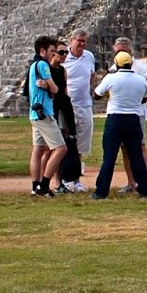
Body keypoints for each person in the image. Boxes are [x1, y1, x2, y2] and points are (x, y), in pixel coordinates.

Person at [91, 51, 147, 198]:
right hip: (133, 119)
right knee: (136, 155)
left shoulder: (111, 78)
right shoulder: (141, 80)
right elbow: (144, 98)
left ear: (116, 64)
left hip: (115, 119)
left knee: (109, 157)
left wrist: (110, 94)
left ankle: (101, 192)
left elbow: (96, 94)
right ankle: (144, 189)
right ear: (131, 64)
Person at [112, 35, 147, 193]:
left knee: (140, 147)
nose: (120, 55)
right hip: (120, 113)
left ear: (129, 51)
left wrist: (144, 97)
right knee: (125, 148)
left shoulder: (138, 66)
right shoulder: (114, 68)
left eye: (123, 51)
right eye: (118, 52)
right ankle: (132, 183)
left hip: (135, 112)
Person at [26, 35, 68, 198]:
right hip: (44, 113)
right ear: (42, 51)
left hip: (34, 113)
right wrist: (51, 86)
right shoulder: (43, 65)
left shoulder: (33, 65)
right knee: (60, 148)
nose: (54, 54)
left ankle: (35, 186)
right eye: (52, 51)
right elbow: (55, 89)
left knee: (38, 149)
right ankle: (44, 185)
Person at [61, 30, 98, 187]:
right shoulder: (64, 57)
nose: (82, 44)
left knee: (80, 145)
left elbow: (92, 75)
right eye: (79, 41)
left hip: (85, 105)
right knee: (64, 143)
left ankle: (75, 179)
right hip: (68, 106)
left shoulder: (89, 56)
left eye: (84, 41)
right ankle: (63, 178)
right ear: (72, 40)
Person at [49, 43, 84, 193]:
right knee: (49, 148)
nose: (64, 55)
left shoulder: (63, 70)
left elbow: (64, 92)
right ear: (53, 53)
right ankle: (46, 182)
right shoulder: (46, 70)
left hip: (62, 109)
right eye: (61, 52)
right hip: (52, 110)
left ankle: (59, 181)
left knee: (62, 146)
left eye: (65, 53)